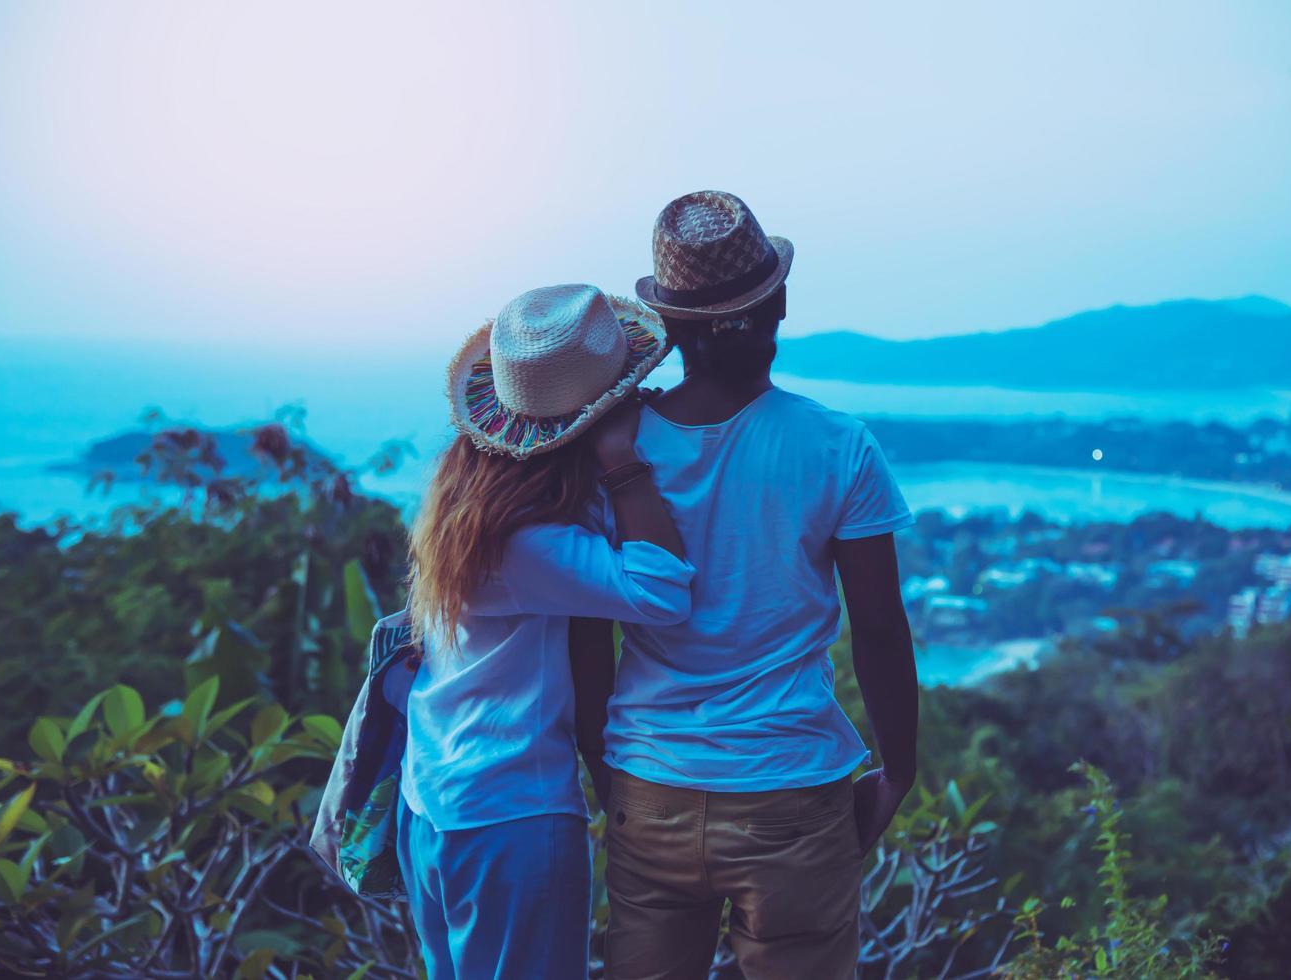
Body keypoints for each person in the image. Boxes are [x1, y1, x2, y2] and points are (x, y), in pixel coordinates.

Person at [571, 191, 919, 980]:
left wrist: (598, 757)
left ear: (670, 331)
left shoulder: (614, 451)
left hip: (648, 783)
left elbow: (587, 626)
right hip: (792, 792)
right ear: (782, 304)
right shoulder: (839, 447)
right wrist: (899, 766)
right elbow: (880, 628)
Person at [392, 283, 695, 980]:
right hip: (510, 819)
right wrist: (622, 462)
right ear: (596, 417)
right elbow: (663, 589)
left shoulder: (466, 498)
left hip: (434, 800)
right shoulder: (526, 542)